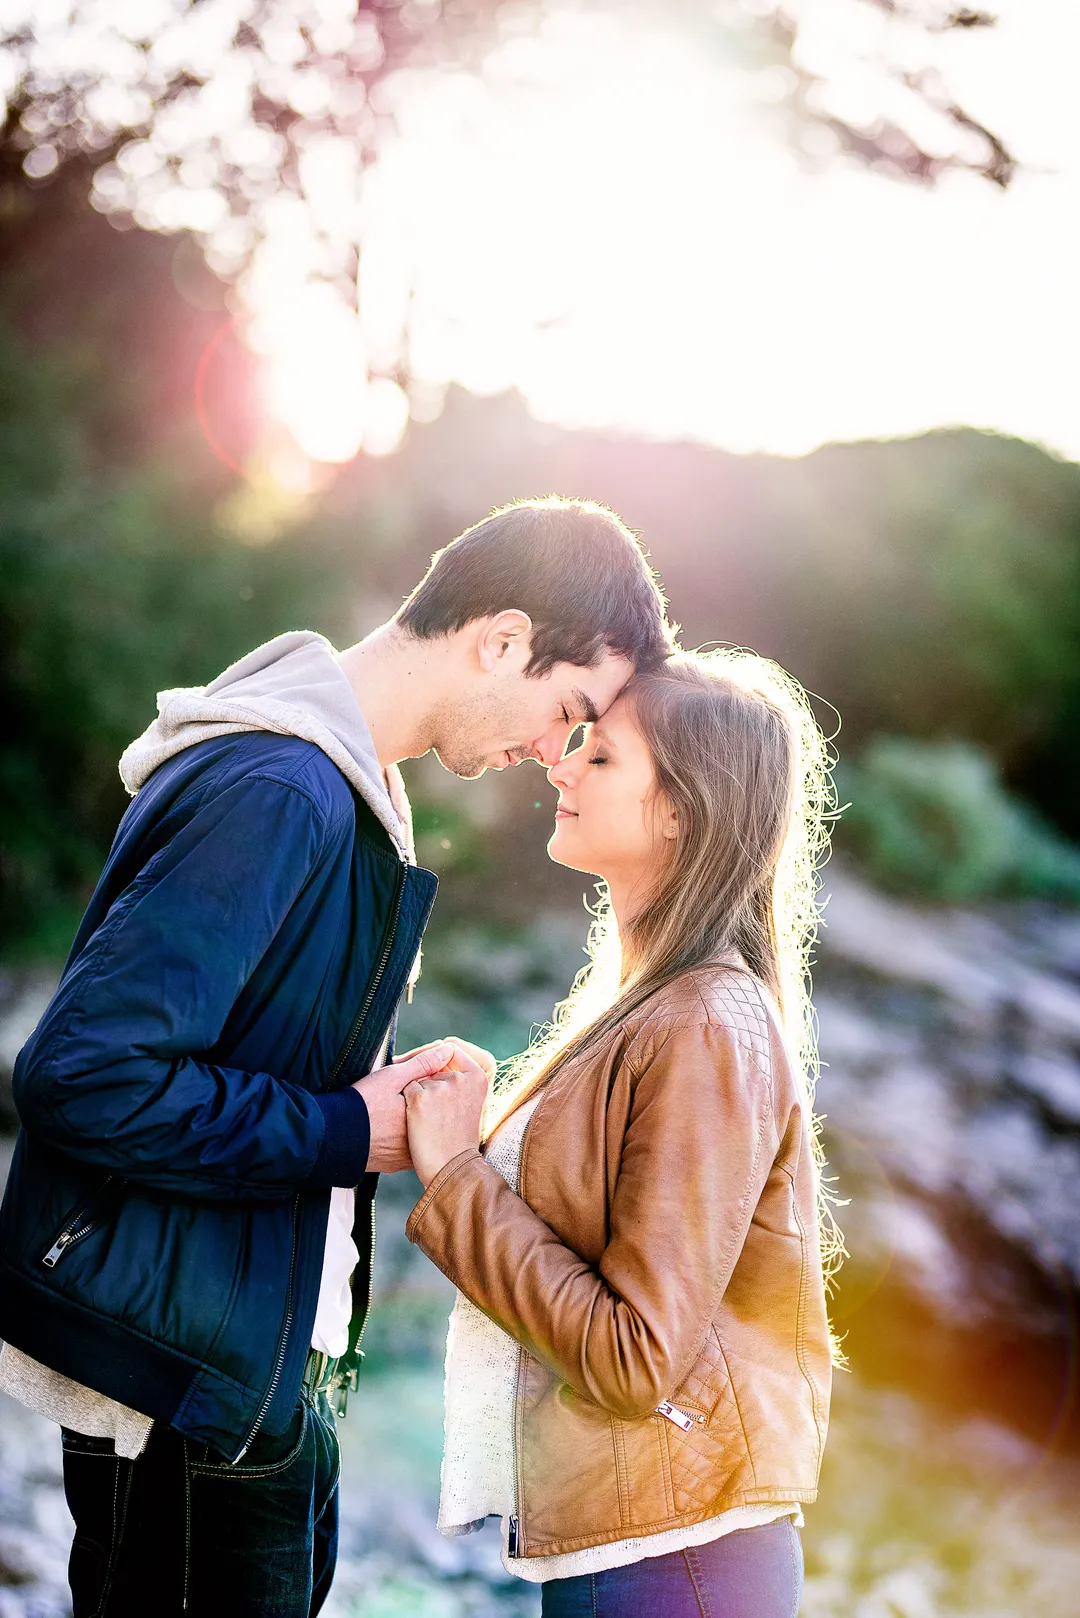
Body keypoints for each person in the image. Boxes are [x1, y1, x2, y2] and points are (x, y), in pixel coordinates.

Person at [0, 496, 671, 1618]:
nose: (550, 751)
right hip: (189, 1387)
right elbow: (86, 1075)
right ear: (502, 639)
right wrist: (350, 1128)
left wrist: (377, 1106)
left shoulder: (349, 796)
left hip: (249, 1367)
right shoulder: (281, 789)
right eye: (567, 710)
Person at [402, 648, 839, 1618]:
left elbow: (633, 1357)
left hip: (676, 1559)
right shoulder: (658, 1005)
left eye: (600, 756)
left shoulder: (703, 1023)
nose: (561, 766)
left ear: (681, 809)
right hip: (650, 1542)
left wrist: (457, 1176)